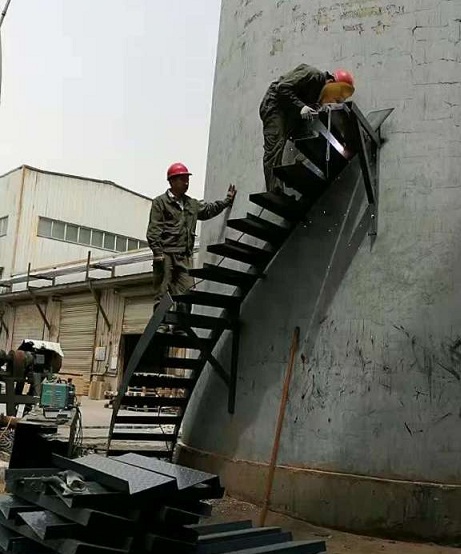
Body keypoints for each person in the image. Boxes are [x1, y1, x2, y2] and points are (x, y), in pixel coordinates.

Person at [146, 162, 237, 333]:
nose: (186, 183)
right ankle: (161, 324)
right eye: (182, 179)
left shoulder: (191, 204)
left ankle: (180, 327)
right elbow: (153, 230)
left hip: (184, 256)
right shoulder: (160, 202)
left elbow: (208, 210)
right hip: (165, 254)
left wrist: (226, 201)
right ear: (172, 181)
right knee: (163, 291)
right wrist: (158, 253)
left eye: (187, 179)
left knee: (186, 291)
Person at [259, 65, 355, 192]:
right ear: (330, 82)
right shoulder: (312, 75)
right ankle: (274, 190)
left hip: (291, 113)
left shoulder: (318, 97)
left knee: (309, 137)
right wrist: (302, 107)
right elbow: (282, 87)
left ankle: (293, 176)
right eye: (336, 96)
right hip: (275, 106)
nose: (335, 100)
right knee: (276, 145)